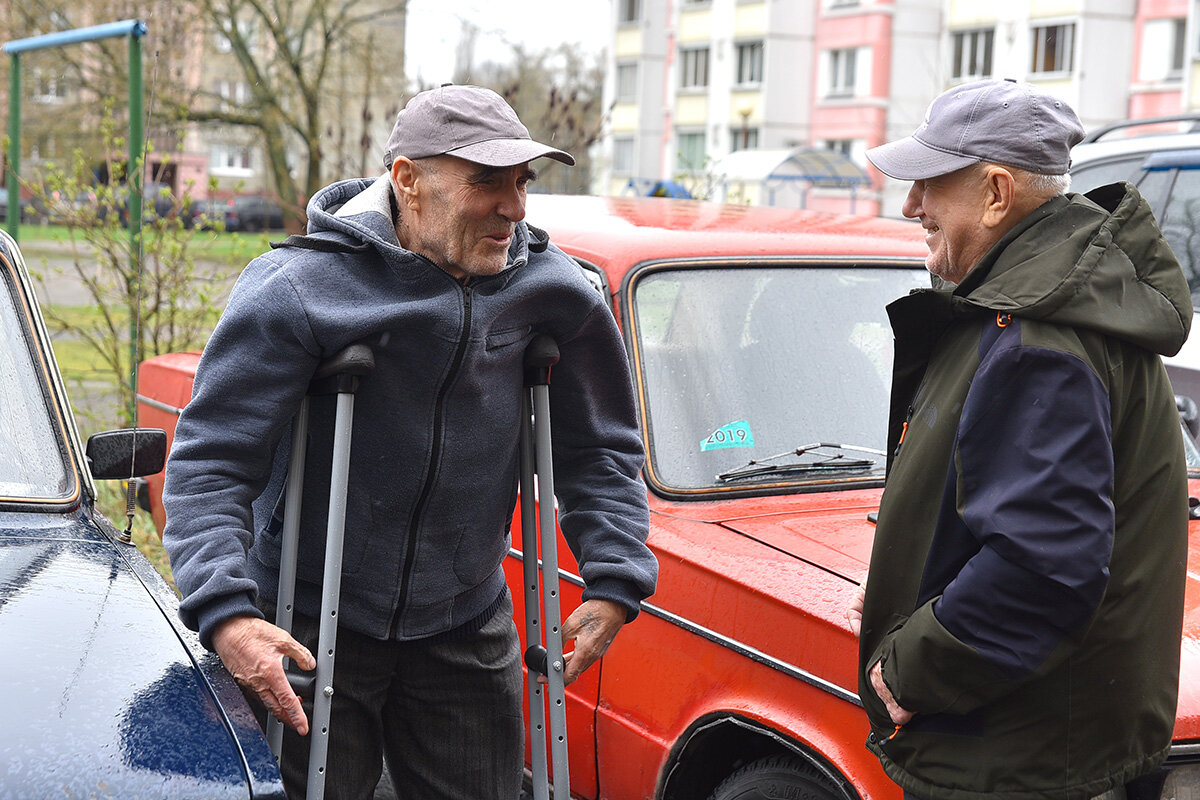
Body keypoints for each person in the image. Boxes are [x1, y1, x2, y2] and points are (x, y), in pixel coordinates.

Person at [162, 84, 658, 799]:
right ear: (408, 179)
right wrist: (230, 614)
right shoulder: (299, 287)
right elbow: (212, 463)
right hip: (311, 615)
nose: (514, 208)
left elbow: (599, 449)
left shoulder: (555, 291)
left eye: (522, 183)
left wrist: (616, 576)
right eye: (487, 181)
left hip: (463, 616)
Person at [846, 78, 1192, 799]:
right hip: (1038, 741)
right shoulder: (1028, 307)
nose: (912, 206)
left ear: (997, 194)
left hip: (1016, 756)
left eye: (929, 184)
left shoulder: (1037, 337)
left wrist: (906, 670)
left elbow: (1041, 569)